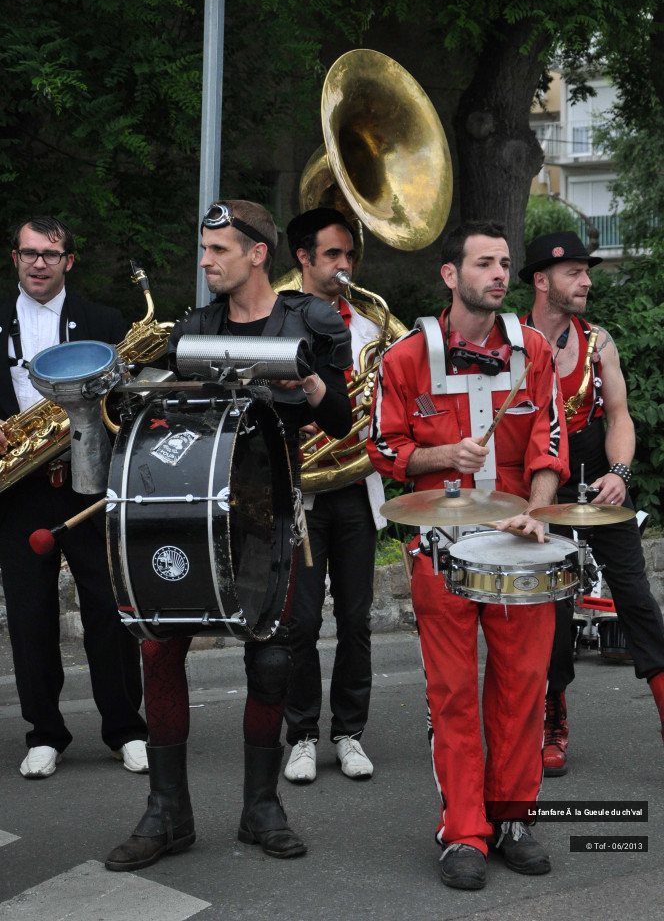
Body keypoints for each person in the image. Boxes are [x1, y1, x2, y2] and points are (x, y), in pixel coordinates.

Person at [105, 199, 352, 872]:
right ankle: (167, 812)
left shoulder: (311, 320)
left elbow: (340, 419)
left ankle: (261, 807)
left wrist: (307, 379)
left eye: (218, 250)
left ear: (257, 254)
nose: (206, 261)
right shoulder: (195, 327)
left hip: (269, 515)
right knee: (160, 646)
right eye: (204, 248)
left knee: (271, 658)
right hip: (190, 512)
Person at [367, 221, 569, 891]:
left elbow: (549, 442)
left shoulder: (532, 349)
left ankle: (513, 819)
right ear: (451, 275)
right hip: (439, 546)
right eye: (484, 263)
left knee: (523, 687)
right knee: (452, 693)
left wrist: (536, 511)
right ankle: (462, 830)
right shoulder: (405, 358)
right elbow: (384, 449)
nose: (499, 274)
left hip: (520, 543)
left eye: (504, 263)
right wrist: (442, 456)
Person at [0, 215, 148, 779]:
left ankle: (125, 729)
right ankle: (44, 734)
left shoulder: (105, 322)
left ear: (69, 262)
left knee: (109, 610)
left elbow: (128, 402)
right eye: (29, 253)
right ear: (15, 258)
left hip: (88, 484)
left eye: (50, 254)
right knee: (30, 617)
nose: (39, 263)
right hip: (19, 491)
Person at [520, 230, 664, 776]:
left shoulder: (599, 341)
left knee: (637, 600)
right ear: (542, 281)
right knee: (552, 613)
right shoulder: (511, 341)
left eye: (586, 273)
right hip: (542, 487)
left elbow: (620, 417)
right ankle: (552, 717)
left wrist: (620, 473)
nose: (585, 282)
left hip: (598, 482)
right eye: (574, 273)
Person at [282, 209, 384, 785]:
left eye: (350, 255)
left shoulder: (370, 327)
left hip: (355, 488)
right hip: (300, 490)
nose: (345, 265)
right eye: (332, 255)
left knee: (356, 620)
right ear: (303, 257)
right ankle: (301, 734)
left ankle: (350, 733)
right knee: (299, 622)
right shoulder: (277, 317)